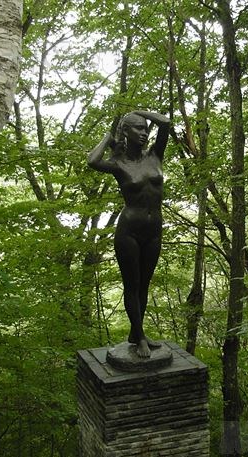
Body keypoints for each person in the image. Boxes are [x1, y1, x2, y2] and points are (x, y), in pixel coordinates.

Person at [87, 110, 171, 358]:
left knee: (144, 284)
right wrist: (108, 137)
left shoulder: (155, 155)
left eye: (146, 128)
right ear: (126, 131)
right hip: (129, 232)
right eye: (138, 128)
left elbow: (165, 123)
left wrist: (137, 113)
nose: (144, 133)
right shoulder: (118, 164)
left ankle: (137, 333)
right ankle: (140, 337)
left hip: (154, 230)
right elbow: (92, 161)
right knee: (132, 285)